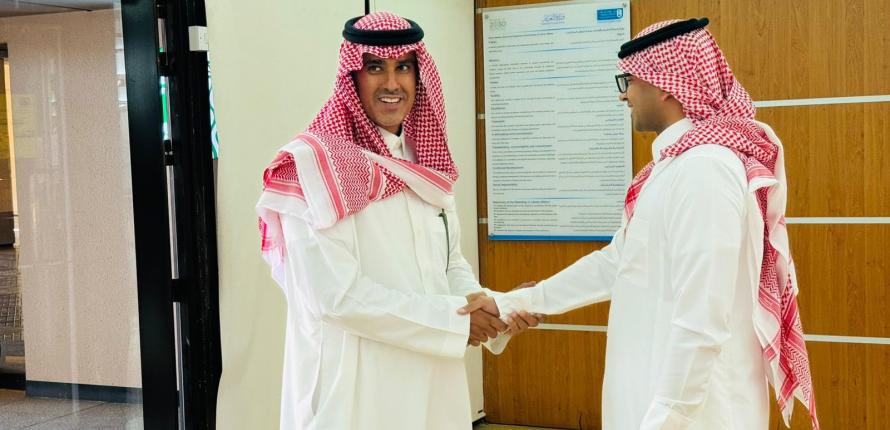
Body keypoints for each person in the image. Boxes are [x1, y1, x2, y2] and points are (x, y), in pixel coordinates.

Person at [461, 18, 819, 430]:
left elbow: (703, 316)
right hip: (654, 399)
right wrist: (513, 303)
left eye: (628, 81)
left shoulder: (706, 170)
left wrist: (669, 417)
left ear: (664, 83)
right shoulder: (673, 168)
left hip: (696, 413)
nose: (624, 94)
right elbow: (617, 264)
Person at [256, 12, 540, 430]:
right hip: (356, 390)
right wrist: (456, 321)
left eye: (403, 67)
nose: (392, 83)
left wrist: (493, 308)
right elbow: (336, 297)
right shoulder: (313, 168)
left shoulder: (424, 164)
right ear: (352, 76)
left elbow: (448, 265)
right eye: (375, 68)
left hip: (434, 383)